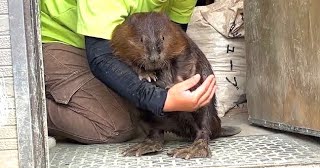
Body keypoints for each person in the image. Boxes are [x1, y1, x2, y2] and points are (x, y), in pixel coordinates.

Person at [41, 0, 217, 144]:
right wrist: (162, 100)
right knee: (114, 127)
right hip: (60, 39)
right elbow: (100, 57)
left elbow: (175, 38)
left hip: (123, 48)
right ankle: (30, 111)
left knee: (141, 111)